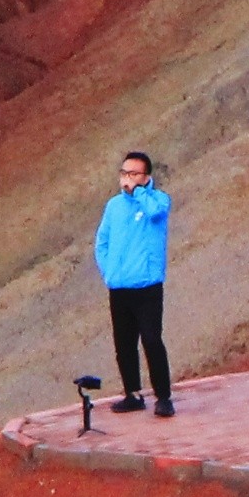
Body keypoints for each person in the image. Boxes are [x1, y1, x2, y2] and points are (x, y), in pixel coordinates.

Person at [94, 150, 174, 416]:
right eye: (124, 173)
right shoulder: (114, 206)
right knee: (124, 343)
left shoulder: (158, 200)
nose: (127, 178)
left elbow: (154, 213)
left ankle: (163, 396)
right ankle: (133, 393)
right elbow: (102, 241)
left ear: (146, 176)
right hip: (120, 287)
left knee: (151, 340)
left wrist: (139, 192)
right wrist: (109, 272)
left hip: (147, 286)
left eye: (134, 173)